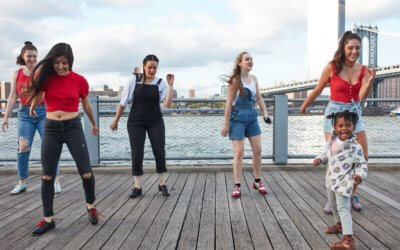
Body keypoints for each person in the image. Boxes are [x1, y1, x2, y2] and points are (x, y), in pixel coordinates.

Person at [300, 31, 376, 213]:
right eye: (350, 47)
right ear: (343, 48)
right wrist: (304, 106)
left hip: (354, 113)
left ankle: (351, 193)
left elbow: (361, 97)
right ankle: (333, 197)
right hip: (334, 114)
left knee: (362, 156)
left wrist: (370, 82)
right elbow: (318, 89)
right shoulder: (332, 67)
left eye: (357, 48)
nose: (354, 51)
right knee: (335, 157)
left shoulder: (364, 70)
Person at [29, 43, 99, 235]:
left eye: (65, 63)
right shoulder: (47, 79)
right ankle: (48, 219)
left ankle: (90, 206)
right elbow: (40, 94)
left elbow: (86, 105)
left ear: (71, 62)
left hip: (73, 127)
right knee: (47, 175)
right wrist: (33, 106)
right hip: (51, 128)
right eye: (57, 62)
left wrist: (93, 123)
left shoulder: (80, 80)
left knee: (86, 172)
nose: (60, 66)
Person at [1, 41, 62, 195]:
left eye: (35, 56)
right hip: (24, 114)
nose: (32, 59)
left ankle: (55, 180)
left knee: (50, 147)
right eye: (29, 56)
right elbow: (13, 95)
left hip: (43, 112)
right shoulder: (17, 73)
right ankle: (21, 182)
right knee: (22, 146)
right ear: (23, 56)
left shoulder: (42, 71)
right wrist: (6, 117)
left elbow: (51, 91)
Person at [110, 54, 174, 198]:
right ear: (144, 66)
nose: (152, 70)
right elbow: (123, 102)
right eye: (149, 67)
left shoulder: (160, 83)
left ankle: (162, 183)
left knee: (159, 150)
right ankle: (137, 186)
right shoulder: (133, 80)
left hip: (155, 121)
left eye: (154, 68)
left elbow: (168, 105)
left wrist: (170, 86)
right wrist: (115, 121)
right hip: (135, 122)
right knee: (137, 153)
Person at [313, 110, 367, 250]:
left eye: (348, 125)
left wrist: (360, 175)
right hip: (331, 179)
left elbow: (362, 164)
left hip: (344, 181)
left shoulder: (355, 147)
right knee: (333, 204)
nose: (344, 128)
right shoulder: (332, 140)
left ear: (353, 126)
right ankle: (339, 225)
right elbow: (325, 153)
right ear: (335, 127)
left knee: (343, 208)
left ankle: (348, 240)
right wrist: (320, 159)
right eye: (340, 126)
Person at [221, 52, 270, 198]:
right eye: (247, 59)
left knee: (258, 150)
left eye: (251, 59)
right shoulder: (235, 80)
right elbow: (229, 103)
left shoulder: (254, 79)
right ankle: (237, 184)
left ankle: (257, 180)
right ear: (239, 63)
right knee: (239, 152)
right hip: (237, 119)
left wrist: (265, 112)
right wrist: (226, 125)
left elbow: (259, 97)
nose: (250, 61)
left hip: (252, 117)